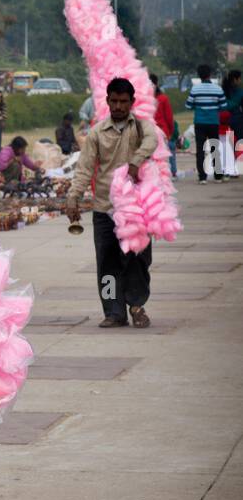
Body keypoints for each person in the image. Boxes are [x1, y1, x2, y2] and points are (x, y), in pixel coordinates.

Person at [67, 77, 159, 328]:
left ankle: (137, 305)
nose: (118, 106)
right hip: (104, 208)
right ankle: (113, 312)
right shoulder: (97, 132)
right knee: (107, 263)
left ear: (132, 102)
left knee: (138, 260)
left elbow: (153, 142)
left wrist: (135, 162)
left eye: (123, 102)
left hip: (136, 208)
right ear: (107, 101)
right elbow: (85, 169)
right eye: (114, 101)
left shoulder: (141, 127)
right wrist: (73, 197)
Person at [186, 64, 226, 184]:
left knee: (200, 150)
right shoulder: (218, 89)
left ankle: (202, 177)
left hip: (200, 123)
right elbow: (223, 106)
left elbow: (188, 105)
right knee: (215, 148)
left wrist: (197, 106)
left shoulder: (195, 89)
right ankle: (218, 176)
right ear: (210, 74)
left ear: (199, 76)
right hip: (213, 122)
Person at [149, 72, 176, 178]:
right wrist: (170, 131)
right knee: (163, 156)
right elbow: (169, 117)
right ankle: (167, 174)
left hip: (150, 131)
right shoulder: (163, 98)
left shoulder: (143, 100)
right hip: (162, 131)